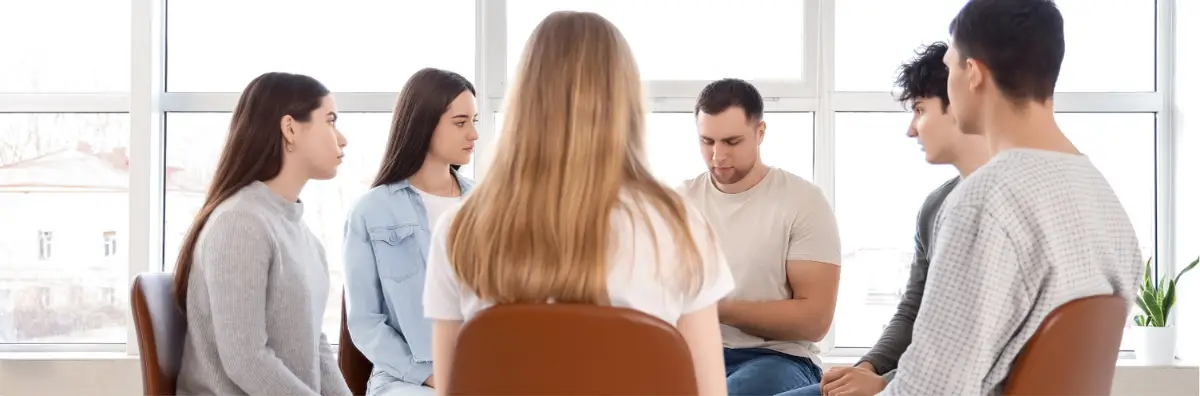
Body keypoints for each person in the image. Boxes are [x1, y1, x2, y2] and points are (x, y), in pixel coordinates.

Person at [422, 11, 734, 396]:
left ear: (526, 99)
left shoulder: (460, 229)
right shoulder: (679, 225)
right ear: (625, 101)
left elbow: (454, 389)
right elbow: (708, 391)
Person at [881, 1, 1144, 394]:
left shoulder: (985, 200)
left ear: (973, 74)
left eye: (951, 67)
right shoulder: (1103, 198)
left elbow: (928, 389)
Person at [783, 42, 992, 396]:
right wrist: (867, 368)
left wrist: (885, 383)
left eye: (921, 110)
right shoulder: (936, 206)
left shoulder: (999, 205)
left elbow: (972, 341)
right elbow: (914, 310)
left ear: (958, 104)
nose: (912, 129)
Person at [172, 72, 351, 396]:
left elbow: (317, 348)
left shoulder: (302, 234)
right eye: (330, 120)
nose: (342, 138)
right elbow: (246, 361)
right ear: (290, 128)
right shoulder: (240, 223)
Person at [677, 78, 841, 395]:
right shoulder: (679, 203)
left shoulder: (803, 202)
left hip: (778, 358)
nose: (717, 155)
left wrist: (718, 309)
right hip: (693, 353)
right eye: (707, 141)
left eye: (731, 142)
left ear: (760, 133)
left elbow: (815, 320)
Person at [343, 68, 478, 396]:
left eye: (475, 121)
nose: (473, 134)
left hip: (482, 370)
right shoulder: (371, 211)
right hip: (405, 381)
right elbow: (365, 323)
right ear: (424, 123)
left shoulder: (486, 205)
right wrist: (430, 377)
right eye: (460, 123)